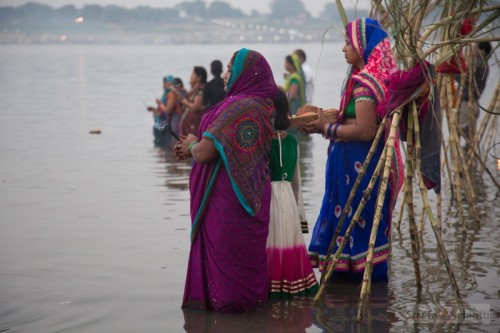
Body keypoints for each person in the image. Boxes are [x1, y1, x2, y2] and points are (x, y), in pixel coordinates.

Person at [175, 48, 278, 311]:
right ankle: (252, 317)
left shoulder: (239, 107)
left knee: (227, 263)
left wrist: (190, 146)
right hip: (253, 194)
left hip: (228, 200)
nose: (226, 75)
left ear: (246, 74)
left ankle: (225, 315)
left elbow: (207, 151)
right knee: (248, 261)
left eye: (232, 69)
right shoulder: (264, 105)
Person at [301, 18, 404, 281]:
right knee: (354, 226)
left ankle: (358, 292)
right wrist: (324, 120)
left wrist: (326, 129)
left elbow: (365, 130)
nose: (343, 48)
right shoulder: (360, 79)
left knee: (360, 226)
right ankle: (353, 291)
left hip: (361, 169)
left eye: (348, 42)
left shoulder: (365, 83)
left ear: (363, 46)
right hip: (350, 167)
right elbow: (354, 119)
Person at [266, 88, 319, 299]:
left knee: (271, 242)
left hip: (269, 199)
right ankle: (291, 289)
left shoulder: (262, 143)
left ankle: (272, 291)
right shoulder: (292, 142)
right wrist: (300, 217)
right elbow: (296, 182)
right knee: (287, 241)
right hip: (287, 198)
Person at [457, 41, 492, 139]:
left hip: (466, 105)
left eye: (474, 47)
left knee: (458, 132)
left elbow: (462, 77)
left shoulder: (477, 64)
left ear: (482, 50)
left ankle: (463, 153)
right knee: (470, 136)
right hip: (473, 104)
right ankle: (467, 153)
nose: (472, 49)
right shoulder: (483, 65)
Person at [178, 66, 207, 136]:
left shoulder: (201, 90)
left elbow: (196, 106)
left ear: (199, 77)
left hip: (194, 127)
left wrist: (185, 102)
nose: (191, 76)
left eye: (193, 73)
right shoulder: (193, 90)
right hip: (188, 126)